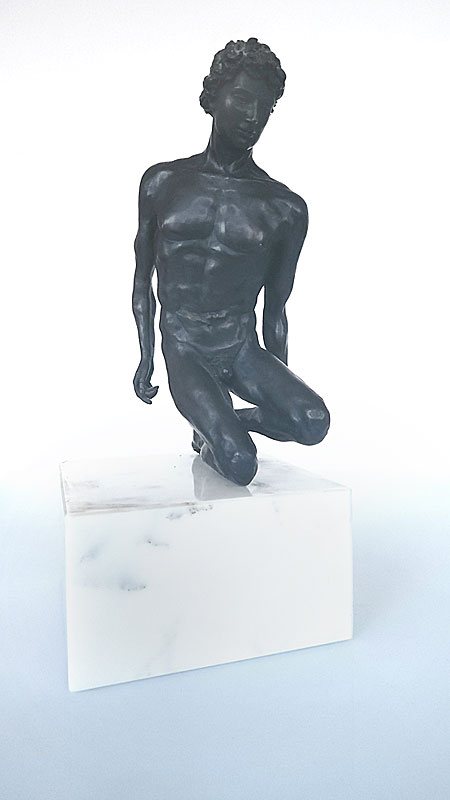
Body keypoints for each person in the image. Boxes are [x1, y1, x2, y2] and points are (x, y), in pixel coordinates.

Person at [132, 38, 330, 486]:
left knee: (313, 421)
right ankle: (215, 435)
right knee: (240, 464)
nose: (252, 116)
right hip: (185, 345)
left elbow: (276, 309)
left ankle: (227, 422)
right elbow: (142, 280)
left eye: (265, 107)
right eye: (241, 98)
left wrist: (276, 386)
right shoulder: (162, 183)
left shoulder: (284, 208)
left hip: (240, 347)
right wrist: (146, 356)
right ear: (213, 97)